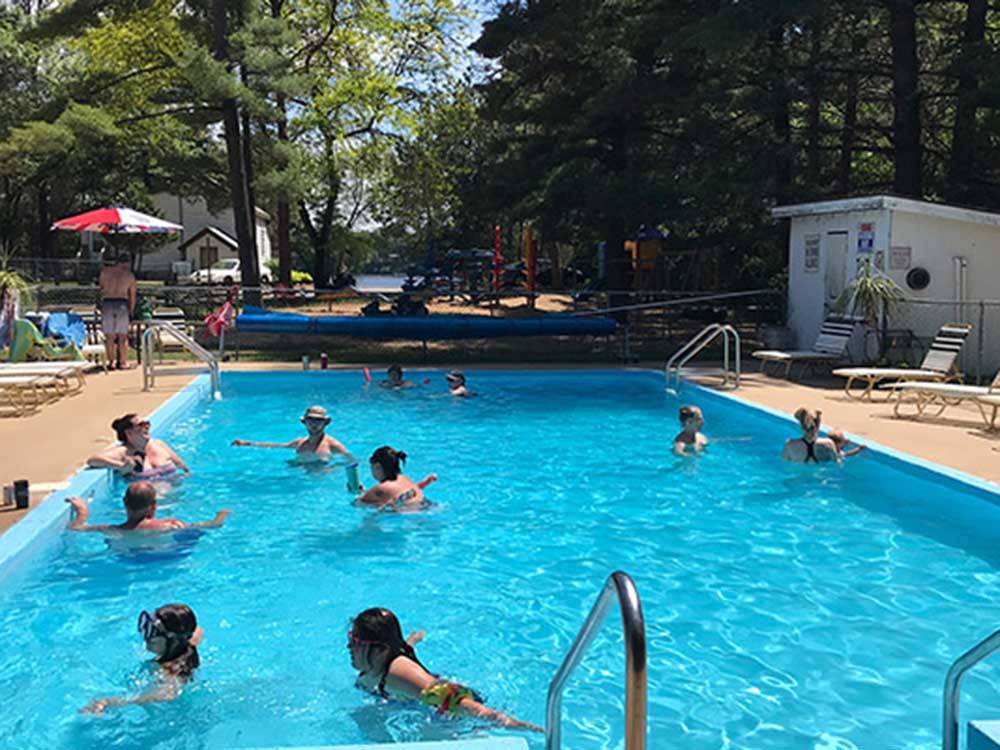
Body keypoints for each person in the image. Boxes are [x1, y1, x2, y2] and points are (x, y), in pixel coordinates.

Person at [348, 607, 542, 732]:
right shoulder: (379, 661)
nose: (349, 646)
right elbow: (402, 648)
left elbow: (445, 695)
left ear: (381, 650)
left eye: (356, 641)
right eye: (350, 637)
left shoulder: (397, 672)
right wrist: (413, 641)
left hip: (452, 711)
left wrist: (505, 721)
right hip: (424, 702)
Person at [82, 604, 203, 714]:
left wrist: (110, 703)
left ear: (173, 639)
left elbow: (167, 694)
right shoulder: (186, 645)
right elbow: (197, 631)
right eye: (147, 626)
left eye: (153, 631)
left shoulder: (168, 672)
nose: (146, 636)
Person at [66, 481, 230, 534]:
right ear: (154, 506)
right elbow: (209, 526)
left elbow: (76, 528)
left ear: (124, 503)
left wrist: (82, 511)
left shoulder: (110, 529)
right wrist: (219, 517)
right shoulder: (170, 525)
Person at [231, 405, 352, 463]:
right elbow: (277, 446)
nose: (314, 424)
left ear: (326, 423)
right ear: (304, 422)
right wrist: (248, 443)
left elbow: (352, 462)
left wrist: (332, 469)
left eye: (318, 420)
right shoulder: (299, 443)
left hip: (321, 481)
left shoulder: (333, 445)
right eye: (310, 420)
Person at [87, 413, 190, 479]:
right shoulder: (124, 451)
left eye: (147, 423)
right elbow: (93, 460)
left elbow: (184, 468)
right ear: (129, 432)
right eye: (141, 425)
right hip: (150, 505)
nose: (147, 427)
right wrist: (122, 466)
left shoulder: (159, 444)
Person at [356, 446, 430, 510]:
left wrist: (356, 492)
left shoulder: (381, 488)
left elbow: (357, 504)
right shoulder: (406, 479)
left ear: (377, 466)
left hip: (406, 515)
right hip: (427, 506)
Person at [98, 250, 137, 370]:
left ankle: (111, 362)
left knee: (109, 336)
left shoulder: (104, 273)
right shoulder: (129, 276)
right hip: (122, 303)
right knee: (122, 336)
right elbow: (132, 295)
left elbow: (101, 288)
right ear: (127, 263)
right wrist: (131, 310)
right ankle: (123, 362)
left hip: (108, 303)